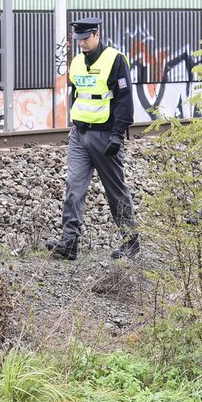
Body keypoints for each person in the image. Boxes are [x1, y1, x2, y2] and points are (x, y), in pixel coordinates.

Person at [45, 17, 139, 261]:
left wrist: (118, 134)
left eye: (86, 38)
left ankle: (131, 240)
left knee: (115, 190)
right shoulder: (76, 62)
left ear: (97, 34)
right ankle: (69, 242)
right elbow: (78, 94)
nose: (82, 43)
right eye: (78, 40)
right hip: (79, 134)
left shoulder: (114, 60)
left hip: (106, 136)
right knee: (73, 188)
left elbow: (124, 98)